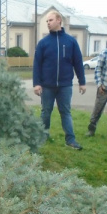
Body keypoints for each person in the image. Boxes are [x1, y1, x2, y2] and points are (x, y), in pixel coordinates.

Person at [33, 10, 87, 150]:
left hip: (65, 85)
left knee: (66, 112)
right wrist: (37, 83)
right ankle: (43, 136)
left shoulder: (70, 42)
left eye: (50, 20)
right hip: (47, 86)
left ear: (59, 21)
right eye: (47, 21)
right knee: (46, 112)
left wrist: (82, 82)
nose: (48, 23)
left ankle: (70, 140)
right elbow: (37, 65)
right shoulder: (43, 43)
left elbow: (78, 62)